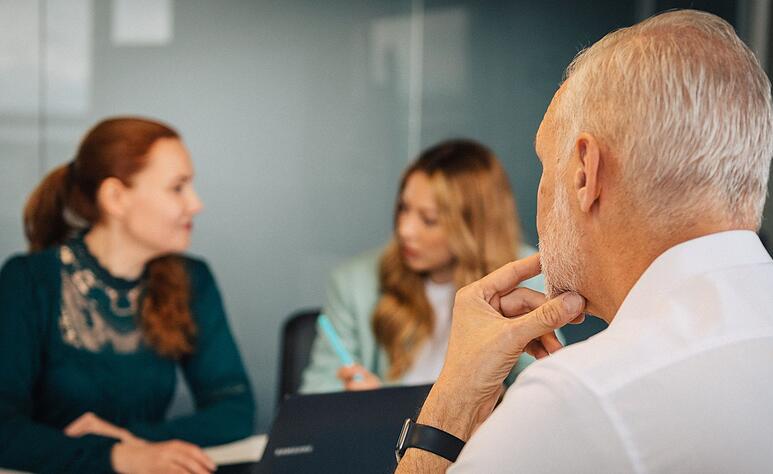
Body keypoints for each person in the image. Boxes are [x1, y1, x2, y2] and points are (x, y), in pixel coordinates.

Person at [396, 10, 773, 473]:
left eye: (545, 165)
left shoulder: (574, 403)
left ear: (586, 172)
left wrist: (450, 406)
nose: (539, 194)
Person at [0, 117, 255, 473]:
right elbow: (4, 429)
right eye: (178, 188)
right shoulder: (28, 280)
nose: (196, 204)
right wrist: (114, 456)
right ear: (116, 198)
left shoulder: (192, 278)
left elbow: (235, 409)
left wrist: (133, 442)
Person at [300, 139, 557, 393]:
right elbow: (316, 392)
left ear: (473, 226)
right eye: (404, 208)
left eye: (429, 219)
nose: (405, 230)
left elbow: (542, 391)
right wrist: (364, 406)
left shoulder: (524, 276)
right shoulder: (354, 282)